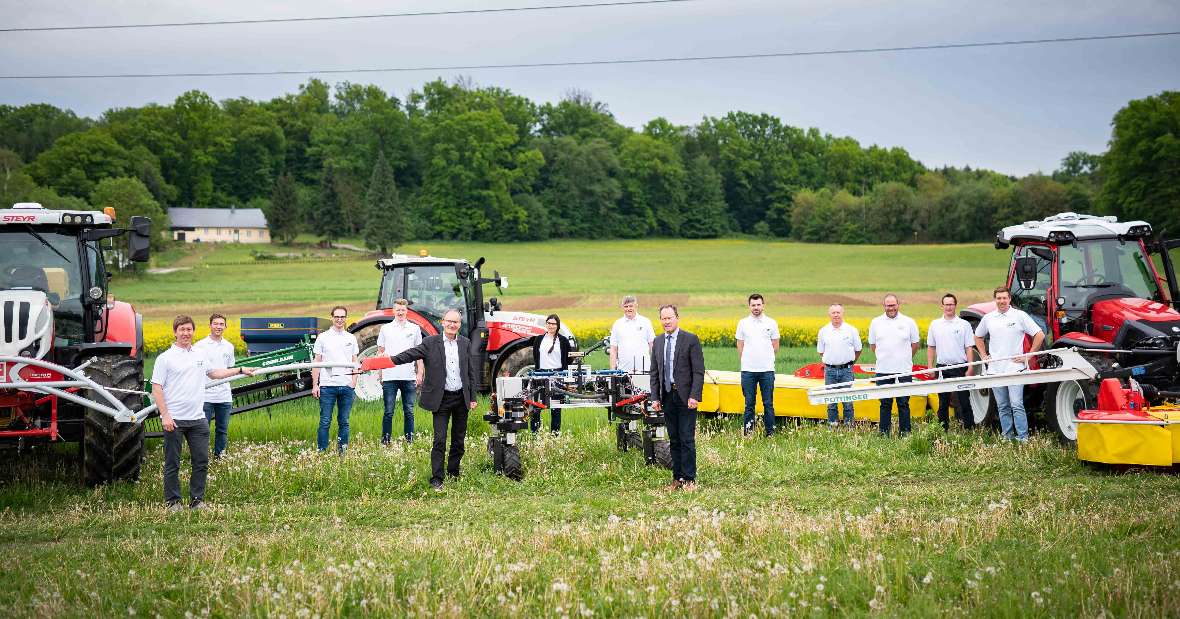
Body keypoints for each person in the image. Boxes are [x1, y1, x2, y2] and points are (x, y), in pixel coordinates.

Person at [151, 315, 252, 512]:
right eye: (182, 330)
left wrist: (239, 369)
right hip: (175, 419)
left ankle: (197, 501)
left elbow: (214, 373)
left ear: (193, 331)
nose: (186, 333)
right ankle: (173, 502)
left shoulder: (199, 354)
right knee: (173, 462)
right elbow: (157, 388)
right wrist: (165, 415)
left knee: (201, 461)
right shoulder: (165, 358)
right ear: (175, 332)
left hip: (198, 419)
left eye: (189, 329)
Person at [383, 308, 479, 490]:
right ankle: (437, 478)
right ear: (443, 322)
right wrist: (389, 360)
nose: (452, 325)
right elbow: (410, 354)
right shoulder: (430, 343)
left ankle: (453, 472)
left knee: (459, 440)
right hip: (441, 399)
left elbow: (470, 373)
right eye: (449, 321)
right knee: (440, 439)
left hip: (461, 398)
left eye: (456, 322)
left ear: (459, 325)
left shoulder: (465, 343)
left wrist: (472, 397)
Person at [974, 286, 1045, 442]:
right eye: (998, 298)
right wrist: (984, 355)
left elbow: (1039, 334)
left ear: (1009, 299)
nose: (1001, 301)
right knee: (1002, 406)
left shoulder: (1020, 316)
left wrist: (1029, 355)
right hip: (995, 370)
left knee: (1017, 405)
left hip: (1015, 369)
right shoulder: (989, 318)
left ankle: (1023, 438)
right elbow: (978, 337)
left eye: (1004, 298)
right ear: (995, 300)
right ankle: (1007, 436)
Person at [650, 305, 705, 491]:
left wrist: (694, 395)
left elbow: (698, 371)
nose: (666, 322)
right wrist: (655, 397)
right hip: (667, 396)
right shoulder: (657, 342)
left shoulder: (690, 339)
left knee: (686, 438)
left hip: (686, 397)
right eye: (663, 319)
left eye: (669, 318)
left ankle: (690, 479)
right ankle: (677, 478)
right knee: (673, 439)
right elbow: (654, 373)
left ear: (677, 318)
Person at [868, 294, 920, 437]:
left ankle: (905, 433)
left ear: (898, 305)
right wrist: (885, 357)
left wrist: (904, 358)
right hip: (883, 370)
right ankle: (884, 433)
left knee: (903, 403)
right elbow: (873, 345)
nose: (891, 308)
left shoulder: (909, 322)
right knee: (885, 403)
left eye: (893, 305)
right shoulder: (876, 322)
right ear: (883, 306)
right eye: (888, 305)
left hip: (903, 370)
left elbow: (915, 345)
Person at [312, 306, 359, 454]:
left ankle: (342, 451)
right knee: (325, 421)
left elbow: (355, 362)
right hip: (327, 386)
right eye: (337, 317)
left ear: (346, 318)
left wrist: (353, 382)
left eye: (342, 317)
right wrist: (315, 384)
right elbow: (316, 362)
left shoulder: (351, 338)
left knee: (344, 421)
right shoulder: (323, 337)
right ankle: (322, 451)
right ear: (332, 317)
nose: (339, 320)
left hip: (346, 386)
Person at [376, 299, 424, 445]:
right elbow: (380, 353)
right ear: (393, 311)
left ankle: (409, 441)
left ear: (406, 311)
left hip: (408, 376)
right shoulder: (385, 329)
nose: (400, 312)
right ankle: (385, 441)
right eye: (398, 310)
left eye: (403, 310)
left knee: (409, 411)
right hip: (390, 376)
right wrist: (380, 374)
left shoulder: (414, 329)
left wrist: (420, 374)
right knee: (388, 411)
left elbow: (419, 354)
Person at [926, 293, 976, 431]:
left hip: (961, 367)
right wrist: (930, 367)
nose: (949, 307)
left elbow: (969, 347)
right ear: (942, 306)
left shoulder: (964, 324)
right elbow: (931, 347)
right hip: (942, 368)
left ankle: (968, 430)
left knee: (964, 401)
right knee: (943, 402)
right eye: (946, 304)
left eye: (951, 304)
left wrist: (970, 366)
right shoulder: (935, 324)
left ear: (955, 305)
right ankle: (943, 430)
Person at [194, 313, 238, 459]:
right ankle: (201, 458)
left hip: (224, 396)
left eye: (221, 324)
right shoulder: (200, 346)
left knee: (222, 430)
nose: (218, 326)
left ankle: (220, 456)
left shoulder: (229, 347)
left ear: (225, 326)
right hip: (206, 396)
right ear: (210, 325)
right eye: (215, 324)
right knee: (202, 430)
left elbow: (230, 368)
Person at [736, 293, 780, 436]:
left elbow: (775, 346)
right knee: (749, 404)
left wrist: (765, 358)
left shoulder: (771, 323)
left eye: (758, 304)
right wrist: (748, 360)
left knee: (768, 403)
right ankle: (748, 433)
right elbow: (740, 345)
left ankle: (770, 433)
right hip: (748, 370)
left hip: (767, 370)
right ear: (749, 306)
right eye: (753, 305)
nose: (756, 307)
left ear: (763, 305)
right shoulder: (743, 323)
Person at [817, 303, 862, 427]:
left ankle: (849, 427)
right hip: (830, 371)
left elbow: (858, 350)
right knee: (831, 401)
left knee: (847, 401)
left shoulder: (851, 330)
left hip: (846, 370)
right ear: (829, 314)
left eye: (838, 312)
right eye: (833, 313)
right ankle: (833, 427)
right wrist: (832, 362)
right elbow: (821, 351)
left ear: (843, 313)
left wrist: (849, 363)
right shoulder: (823, 331)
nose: (836, 315)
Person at [530, 313, 572, 434]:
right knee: (537, 406)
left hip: (557, 375)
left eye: (553, 324)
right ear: (546, 324)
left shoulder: (563, 341)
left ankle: (555, 435)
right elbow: (536, 357)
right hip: (540, 375)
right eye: (549, 323)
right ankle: (535, 434)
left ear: (557, 325)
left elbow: (568, 358)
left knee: (556, 408)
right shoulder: (539, 339)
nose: (551, 326)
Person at [609, 295, 656, 373]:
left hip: (644, 370)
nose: (628, 309)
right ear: (622, 307)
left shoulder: (645, 322)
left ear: (636, 306)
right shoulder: (617, 324)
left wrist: (656, 367)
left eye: (631, 306)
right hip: (623, 371)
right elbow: (613, 349)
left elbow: (652, 346)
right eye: (626, 306)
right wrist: (612, 371)